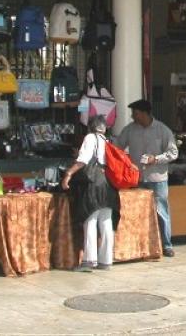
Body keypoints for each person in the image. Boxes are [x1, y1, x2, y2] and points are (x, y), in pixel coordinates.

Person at [114, 99, 179, 257]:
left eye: (135, 113)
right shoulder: (129, 130)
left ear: (144, 113)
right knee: (138, 213)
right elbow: (118, 148)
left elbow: (173, 153)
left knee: (161, 211)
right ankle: (141, 246)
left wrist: (155, 159)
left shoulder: (163, 130)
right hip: (137, 179)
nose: (132, 116)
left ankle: (167, 245)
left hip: (157, 179)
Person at [62, 115, 119, 272]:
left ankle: (89, 260)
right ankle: (106, 261)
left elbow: (83, 160)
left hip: (93, 184)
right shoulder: (108, 141)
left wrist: (68, 174)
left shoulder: (90, 138)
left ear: (90, 127)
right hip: (108, 184)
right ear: (104, 128)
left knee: (90, 220)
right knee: (106, 222)